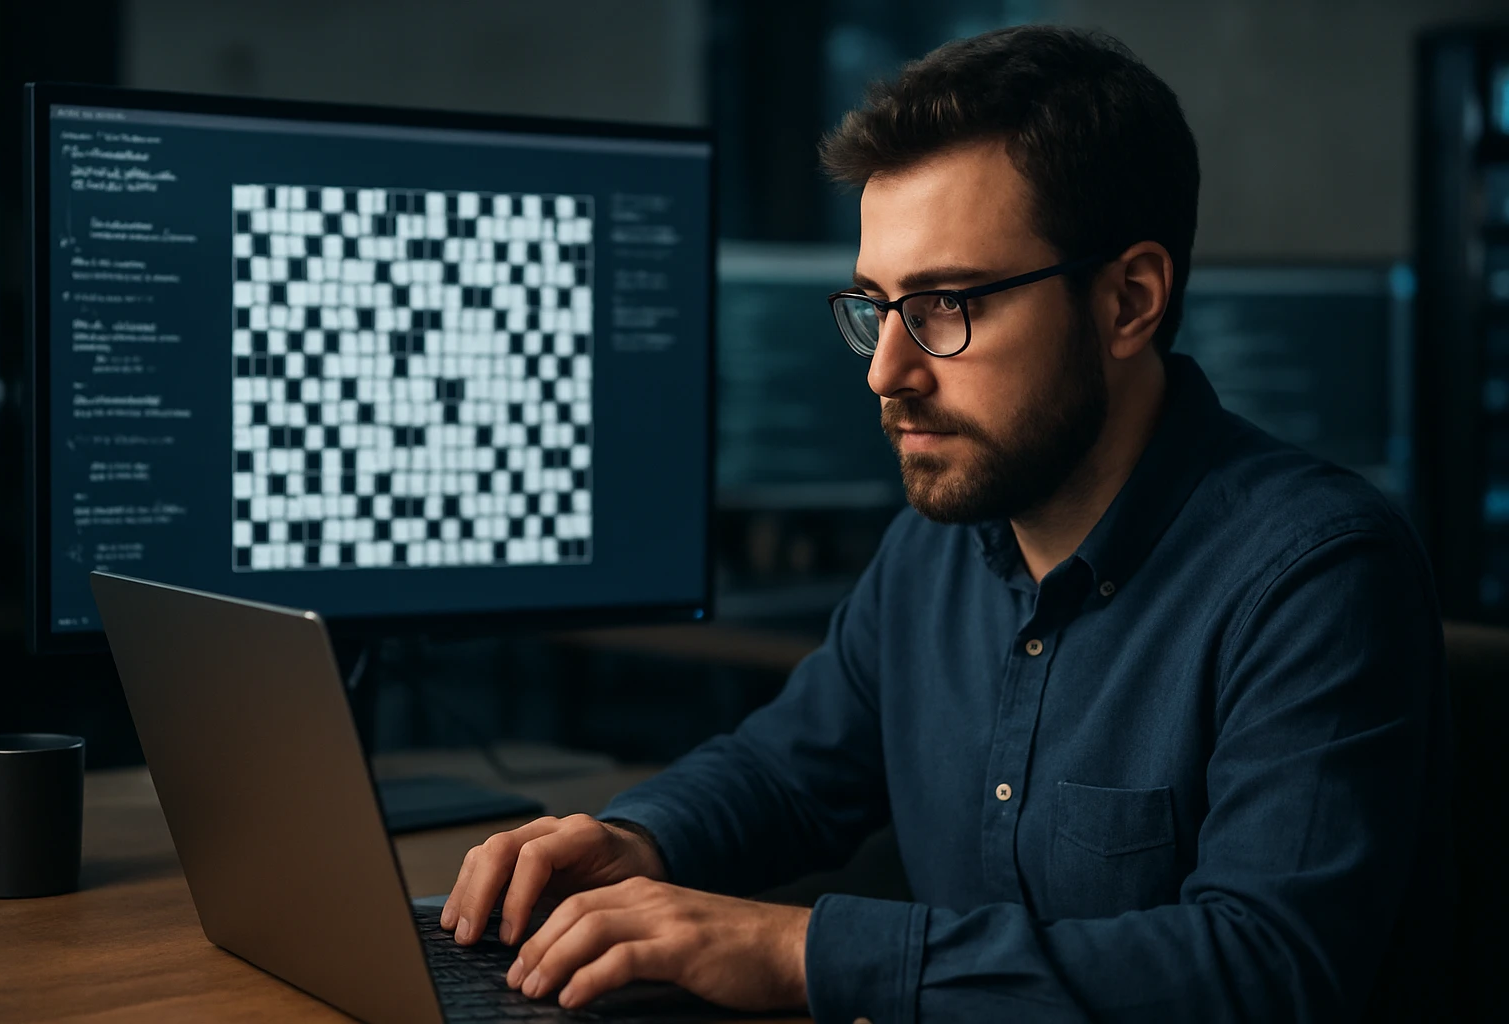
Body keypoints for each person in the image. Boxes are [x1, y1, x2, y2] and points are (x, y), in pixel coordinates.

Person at [440, 24, 1453, 1022]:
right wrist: (640, 839)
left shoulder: (1316, 574)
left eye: (945, 306)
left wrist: (801, 951)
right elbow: (786, 771)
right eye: (876, 306)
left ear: (1129, 300)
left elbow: (1261, 969)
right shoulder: (937, 540)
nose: (887, 371)